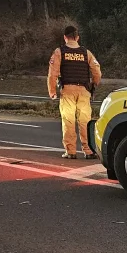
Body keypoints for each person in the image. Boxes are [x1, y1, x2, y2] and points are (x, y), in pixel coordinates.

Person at [47, 25, 102, 159]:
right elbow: (97, 71)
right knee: (85, 121)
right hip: (84, 90)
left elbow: (52, 74)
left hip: (68, 91)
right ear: (77, 37)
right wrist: (94, 84)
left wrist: (52, 91)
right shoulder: (86, 52)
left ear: (65, 37)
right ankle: (88, 150)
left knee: (68, 121)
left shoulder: (60, 52)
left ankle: (71, 151)